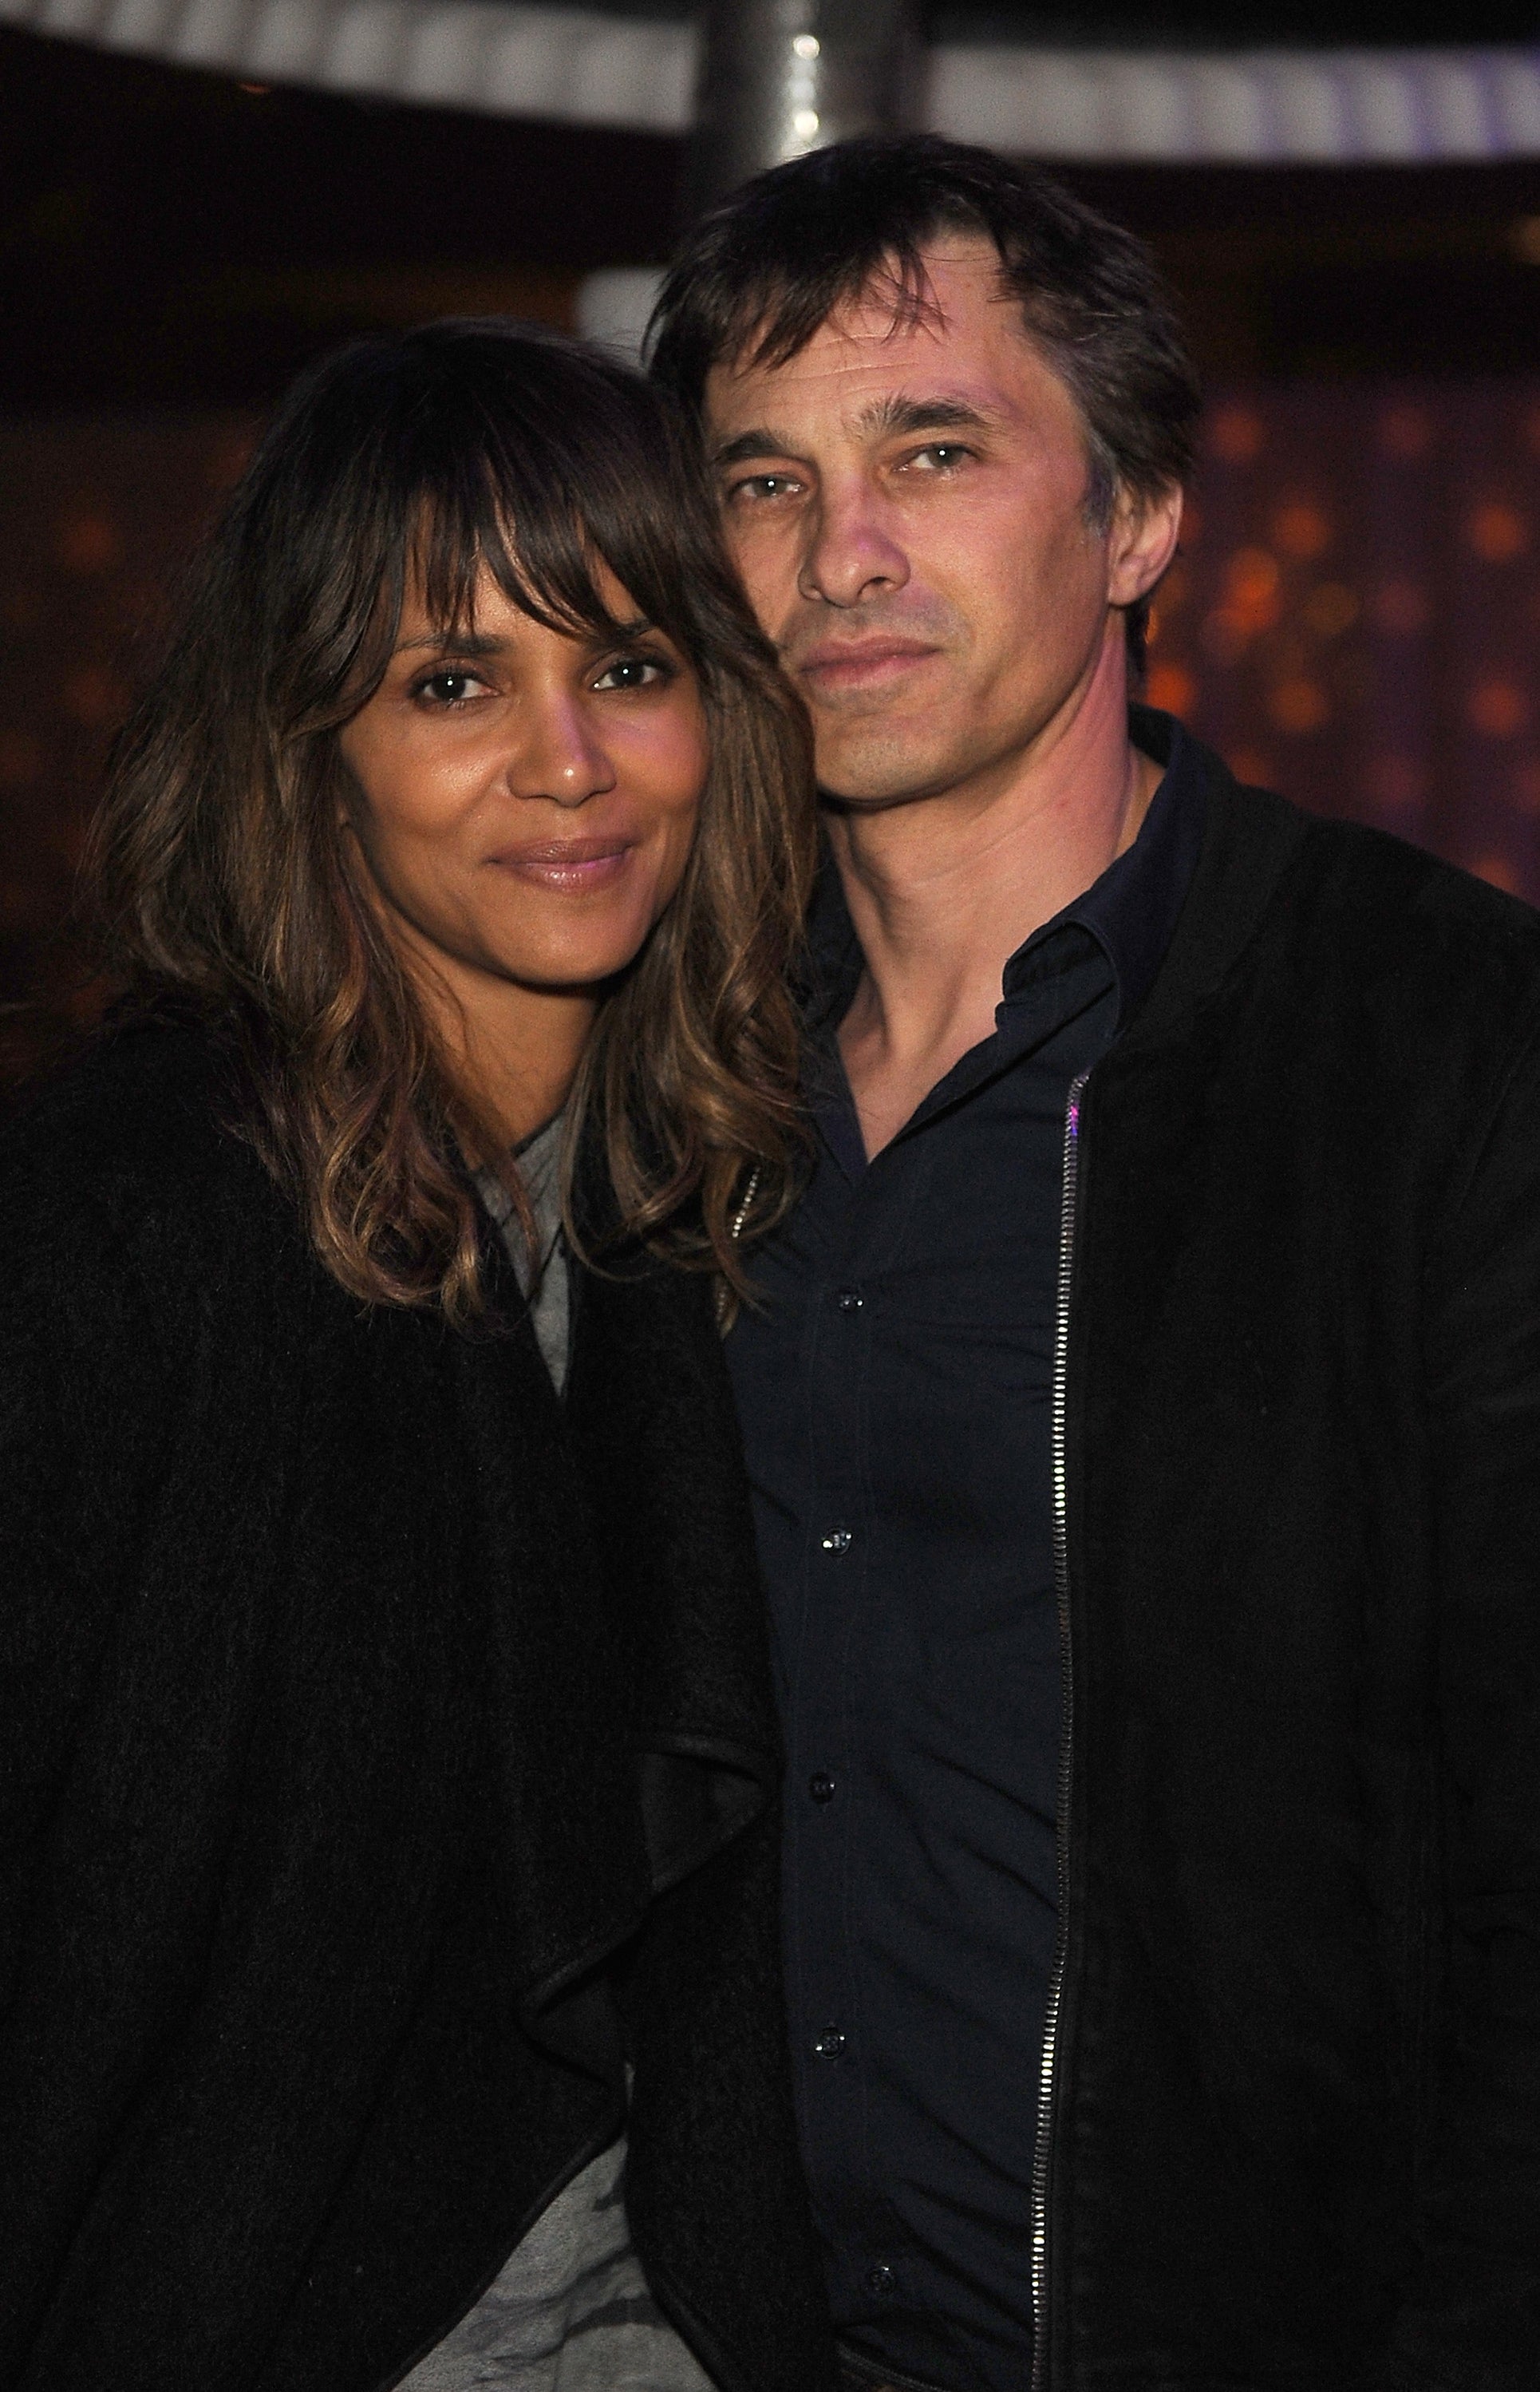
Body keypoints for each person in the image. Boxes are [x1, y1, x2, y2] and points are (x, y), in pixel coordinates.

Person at [648, 135, 1540, 2390]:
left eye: (929, 450)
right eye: (763, 480)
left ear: (1134, 514)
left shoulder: (1432, 1040)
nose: (838, 551)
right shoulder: (661, 1096)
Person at [0, 321, 840, 2392]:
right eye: (451, 683)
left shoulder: (659, 1209)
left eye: (628, 667)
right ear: (310, 750)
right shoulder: (144, 1221)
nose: (569, 761)